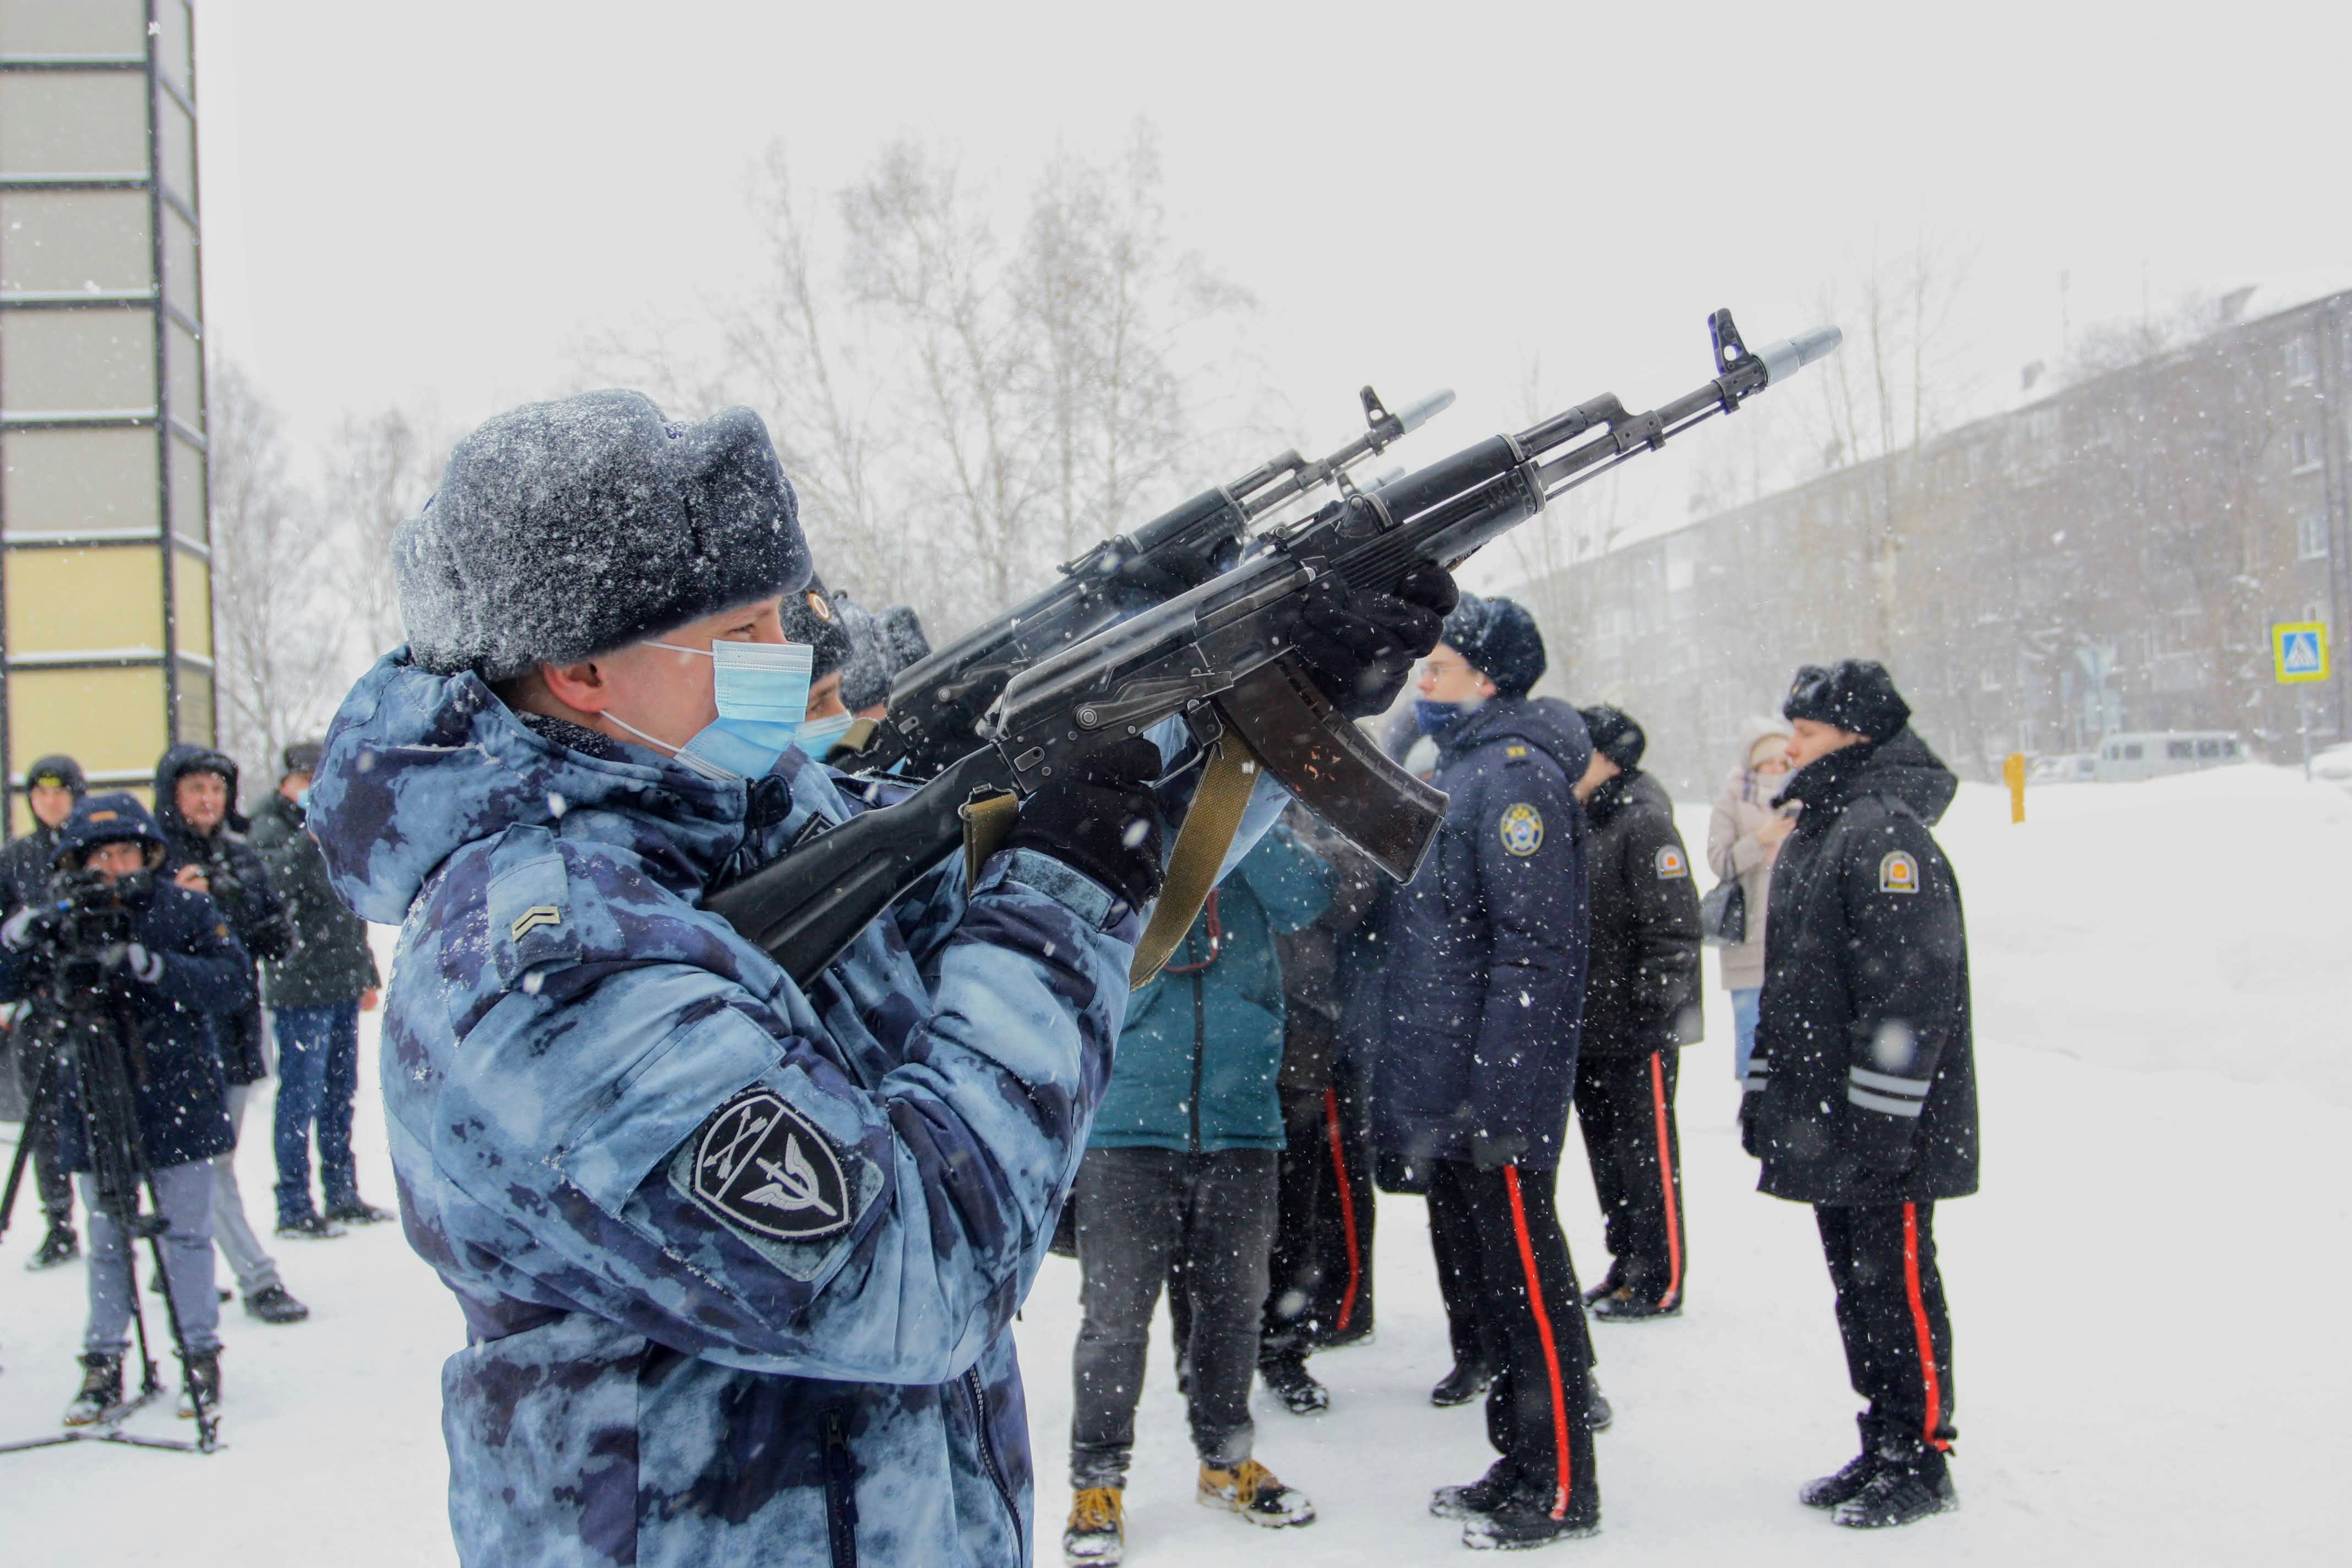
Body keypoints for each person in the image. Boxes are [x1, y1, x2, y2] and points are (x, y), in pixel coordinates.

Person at [301, 388, 1450, 1567]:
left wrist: (1269, 697)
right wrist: (1065, 888)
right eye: (742, 630)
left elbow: (1061, 896)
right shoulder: (538, 965)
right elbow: (912, 1276)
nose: (788, 656)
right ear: (582, 669)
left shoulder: (750, 815)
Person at [1364, 593, 1603, 1550]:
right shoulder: (1460, 771)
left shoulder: (1513, 781)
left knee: (1527, 1284)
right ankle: (1520, 1456)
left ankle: (1562, 1483)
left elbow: (1535, 951)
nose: (1421, 680)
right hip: (1454, 1084)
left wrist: (1502, 1090)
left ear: (1489, 680)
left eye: (1438, 667)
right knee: (1497, 1289)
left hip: (1493, 1088)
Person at [1741, 661, 1977, 1531]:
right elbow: (1793, 982)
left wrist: (1883, 1117)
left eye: (1807, 729)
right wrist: (1767, 1088)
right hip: (1833, 1114)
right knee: (1860, 1288)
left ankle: (1922, 1456)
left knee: (1898, 1285)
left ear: (1857, 736)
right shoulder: (1824, 824)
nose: (1790, 744)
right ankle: (1883, 1440)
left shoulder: (1884, 835)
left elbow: (1911, 992)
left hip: (1886, 1124)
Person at [1064, 820, 1333, 1566]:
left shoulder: (1247, 814)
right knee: (1115, 1321)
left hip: (1241, 1116)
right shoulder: (1122, 814)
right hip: (1127, 1117)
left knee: (1234, 1308)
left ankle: (1225, 1459)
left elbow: (1308, 897)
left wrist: (1238, 816)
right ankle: (1097, 1480)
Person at [0, 793, 253, 1422]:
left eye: (125, 852)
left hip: (177, 1094)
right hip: (92, 1094)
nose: (114, 867)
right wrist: (20, 935)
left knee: (186, 1235)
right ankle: (103, 1361)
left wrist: (152, 966)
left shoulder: (186, 907)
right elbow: (7, 979)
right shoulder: (61, 918)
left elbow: (232, 981)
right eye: (100, 857)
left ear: (148, 853)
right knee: (107, 1239)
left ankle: (200, 1355)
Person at [153, 745, 312, 1331]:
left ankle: (180, 1249)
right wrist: (181, 903)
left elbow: (277, 940)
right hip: (178, 1035)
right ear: (172, 795)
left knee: (211, 1160)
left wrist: (243, 906)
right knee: (209, 1162)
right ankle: (258, 1277)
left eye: (217, 789)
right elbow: (147, 952)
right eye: (196, 788)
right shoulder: (153, 860)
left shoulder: (242, 855)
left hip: (239, 1030)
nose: (208, 800)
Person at [1569, 706, 1701, 1324]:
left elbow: (1674, 926)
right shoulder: (1584, 817)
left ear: (1609, 759)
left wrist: (1652, 1007)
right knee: (1609, 1155)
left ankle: (1659, 1276)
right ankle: (1625, 1263)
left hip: (1634, 1027)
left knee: (1647, 1156)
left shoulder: (1644, 822)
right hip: (1591, 1026)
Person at [1255, 803, 1382, 1409]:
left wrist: (1285, 853)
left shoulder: (1323, 795)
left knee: (1303, 1206)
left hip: (1307, 1039)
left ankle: (1300, 1331)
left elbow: (1353, 886)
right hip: (1230, 1043)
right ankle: (1214, 1356)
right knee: (1221, 1214)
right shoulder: (1219, 789)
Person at [250, 739, 386, 1241]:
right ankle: (293, 1204)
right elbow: (272, 887)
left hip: (341, 980)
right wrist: (307, 837)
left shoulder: (338, 822)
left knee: (339, 1095)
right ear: (287, 783)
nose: (314, 789)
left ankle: (342, 1193)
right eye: (306, 781)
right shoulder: (269, 826)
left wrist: (365, 973)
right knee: (300, 1098)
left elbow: (349, 905)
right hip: (299, 985)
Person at [1, 753, 89, 1269]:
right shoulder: (16, 858)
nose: (50, 802)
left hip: (95, 1003)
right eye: (40, 794)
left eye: (59, 792)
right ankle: (59, 1221)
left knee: (104, 1112)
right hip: (39, 1008)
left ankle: (121, 1214)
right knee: (44, 1120)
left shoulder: (95, 846)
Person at [1706, 718, 1793, 1081]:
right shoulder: (1732, 802)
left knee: (1795, 1034)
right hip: (1748, 939)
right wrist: (1761, 840)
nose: (1776, 769)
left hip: (1795, 936)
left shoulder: (1804, 799)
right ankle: (1752, 1096)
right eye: (1768, 762)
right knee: (1751, 1029)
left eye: (1782, 762)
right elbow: (1720, 861)